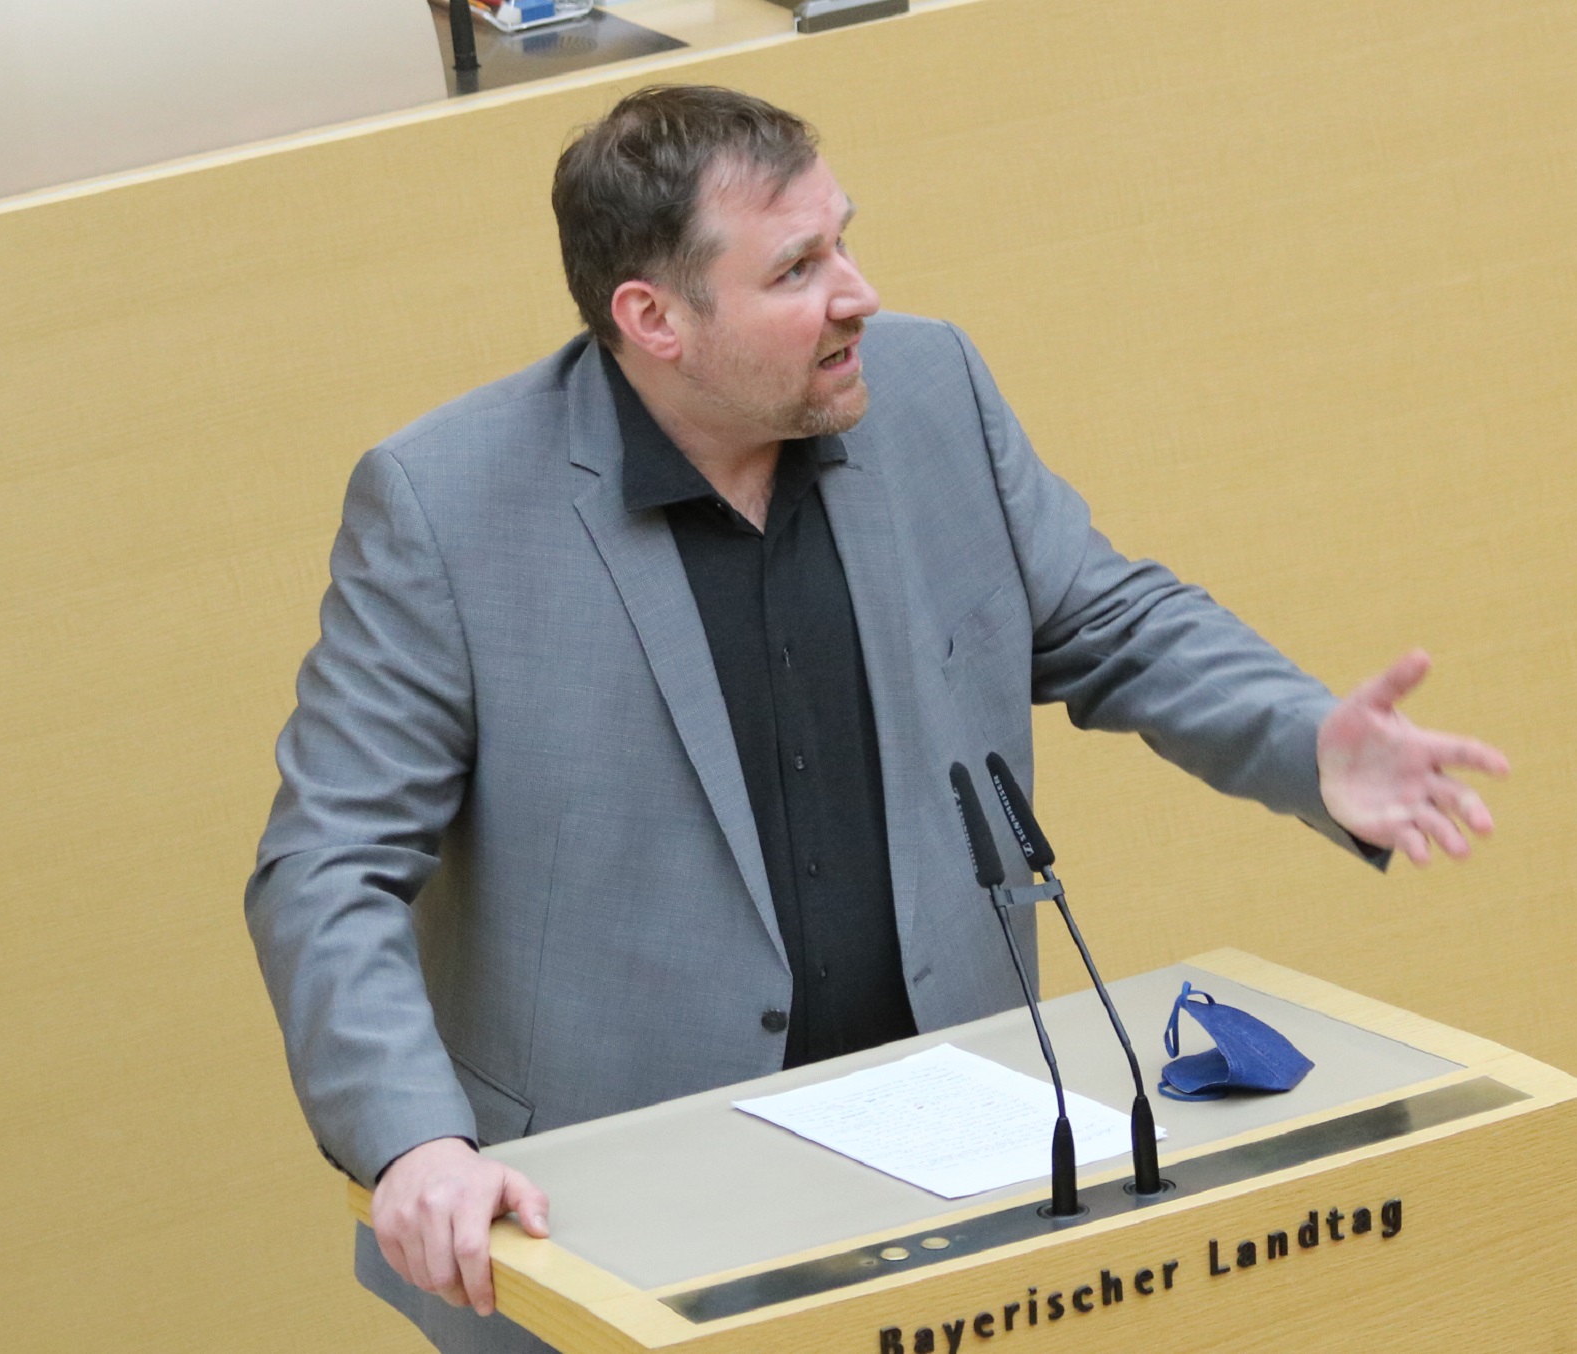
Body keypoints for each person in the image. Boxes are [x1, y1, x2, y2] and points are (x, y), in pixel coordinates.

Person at [244, 85, 1508, 1354]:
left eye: (842, 239)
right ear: (653, 318)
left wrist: (1302, 739)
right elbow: (328, 864)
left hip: (949, 1187)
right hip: (617, 1226)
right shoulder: (447, 506)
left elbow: (1107, 617)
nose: (857, 293)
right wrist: (417, 1141)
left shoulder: (927, 388)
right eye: (795, 268)